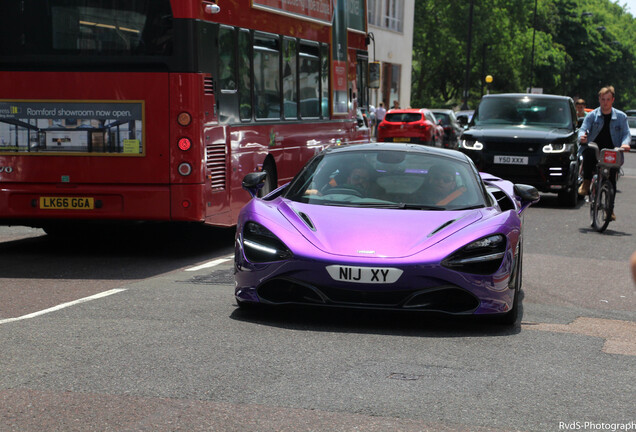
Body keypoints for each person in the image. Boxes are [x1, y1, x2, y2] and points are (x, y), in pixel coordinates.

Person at [578, 86, 631, 201]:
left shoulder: (622, 117)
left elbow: (626, 133)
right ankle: (586, 182)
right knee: (588, 152)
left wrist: (624, 144)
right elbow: (583, 129)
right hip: (595, 149)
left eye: (608, 99)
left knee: (611, 179)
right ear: (599, 99)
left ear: (613, 100)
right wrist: (581, 137)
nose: (605, 102)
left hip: (612, 151)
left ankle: (610, 210)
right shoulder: (592, 115)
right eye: (603, 99)